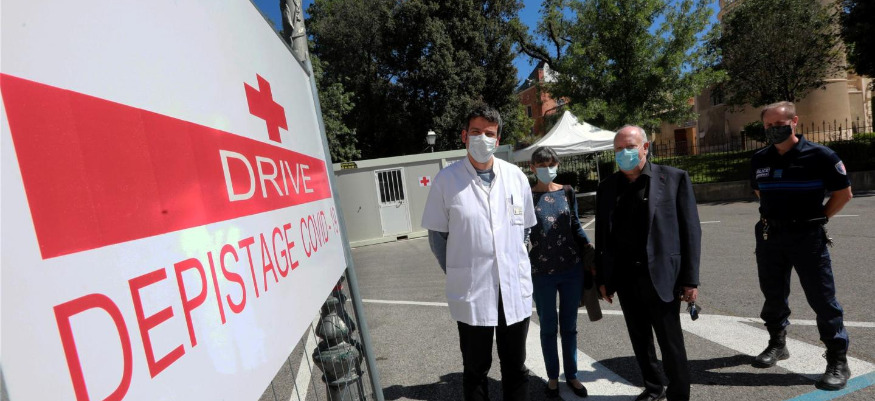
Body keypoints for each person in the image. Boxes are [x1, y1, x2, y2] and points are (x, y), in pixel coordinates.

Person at [422, 103, 536, 401]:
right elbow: (438, 237)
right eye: (476, 132)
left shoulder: (516, 177)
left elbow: (525, 229)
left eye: (489, 133)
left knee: (516, 366)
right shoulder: (447, 180)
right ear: (464, 136)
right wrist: (461, 269)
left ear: (498, 139)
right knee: (475, 369)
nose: (482, 139)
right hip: (473, 290)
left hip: (513, 288)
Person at [750, 101, 853, 390]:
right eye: (768, 125)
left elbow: (844, 194)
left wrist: (820, 218)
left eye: (779, 124)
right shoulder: (759, 158)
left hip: (807, 236)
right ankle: (777, 343)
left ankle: (837, 360)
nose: (773, 129)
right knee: (773, 294)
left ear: (794, 121)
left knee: (822, 299)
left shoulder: (821, 155)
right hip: (770, 236)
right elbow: (759, 191)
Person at [594, 125, 701, 401]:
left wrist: (690, 280)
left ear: (645, 147)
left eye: (630, 147)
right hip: (625, 277)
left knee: (671, 342)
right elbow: (602, 237)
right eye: (618, 149)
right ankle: (654, 388)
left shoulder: (674, 178)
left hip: (662, 276)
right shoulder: (607, 187)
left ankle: (679, 395)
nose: (624, 153)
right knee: (640, 340)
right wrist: (603, 279)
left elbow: (691, 231)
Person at [527, 146, 592, 398]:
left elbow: (575, 223)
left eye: (551, 164)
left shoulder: (567, 191)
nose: (547, 169)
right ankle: (553, 378)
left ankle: (572, 375)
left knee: (569, 326)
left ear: (557, 165)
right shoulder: (526, 195)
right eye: (542, 165)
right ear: (532, 168)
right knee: (547, 327)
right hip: (541, 271)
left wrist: (589, 249)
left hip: (571, 269)